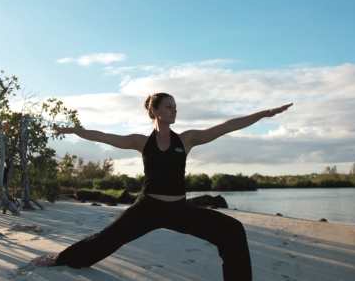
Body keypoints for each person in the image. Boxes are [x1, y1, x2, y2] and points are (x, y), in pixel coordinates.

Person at [33, 92, 291, 281]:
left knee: (232, 231)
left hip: (179, 209)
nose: (174, 111)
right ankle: (61, 259)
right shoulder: (141, 141)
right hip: (147, 208)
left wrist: (263, 114)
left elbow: (227, 126)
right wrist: (76, 131)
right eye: (169, 107)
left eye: (176, 107)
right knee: (106, 240)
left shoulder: (187, 139)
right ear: (155, 111)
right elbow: (104, 136)